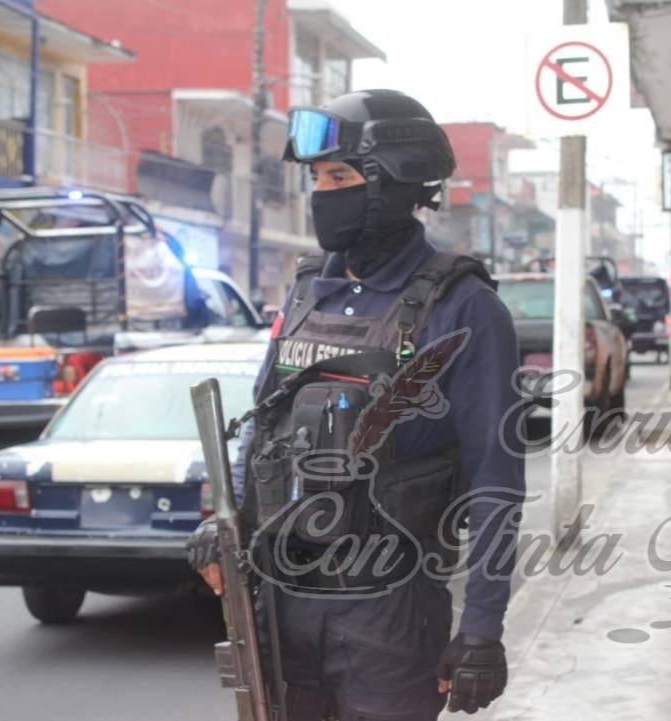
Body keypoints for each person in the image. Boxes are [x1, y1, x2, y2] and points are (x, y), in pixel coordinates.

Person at [187, 89, 524, 719]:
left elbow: (497, 484)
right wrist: (220, 518)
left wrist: (483, 629)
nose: (322, 193)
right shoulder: (308, 290)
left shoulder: (465, 306)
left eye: (339, 176)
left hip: (390, 614)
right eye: (316, 177)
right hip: (281, 606)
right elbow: (263, 423)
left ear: (396, 182)